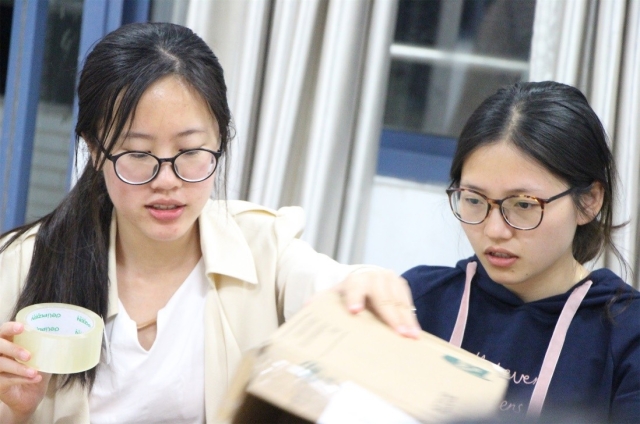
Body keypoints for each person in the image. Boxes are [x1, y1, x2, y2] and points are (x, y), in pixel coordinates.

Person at [0, 22, 419, 423]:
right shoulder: (21, 265)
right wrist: (14, 413)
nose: (167, 181)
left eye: (190, 152)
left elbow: (326, 281)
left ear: (220, 141)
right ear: (95, 150)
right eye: (139, 154)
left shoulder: (263, 247)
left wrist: (365, 281)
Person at [403, 81, 640, 423]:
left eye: (524, 205)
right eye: (474, 200)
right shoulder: (418, 300)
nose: (495, 230)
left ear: (589, 201)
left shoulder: (627, 334)